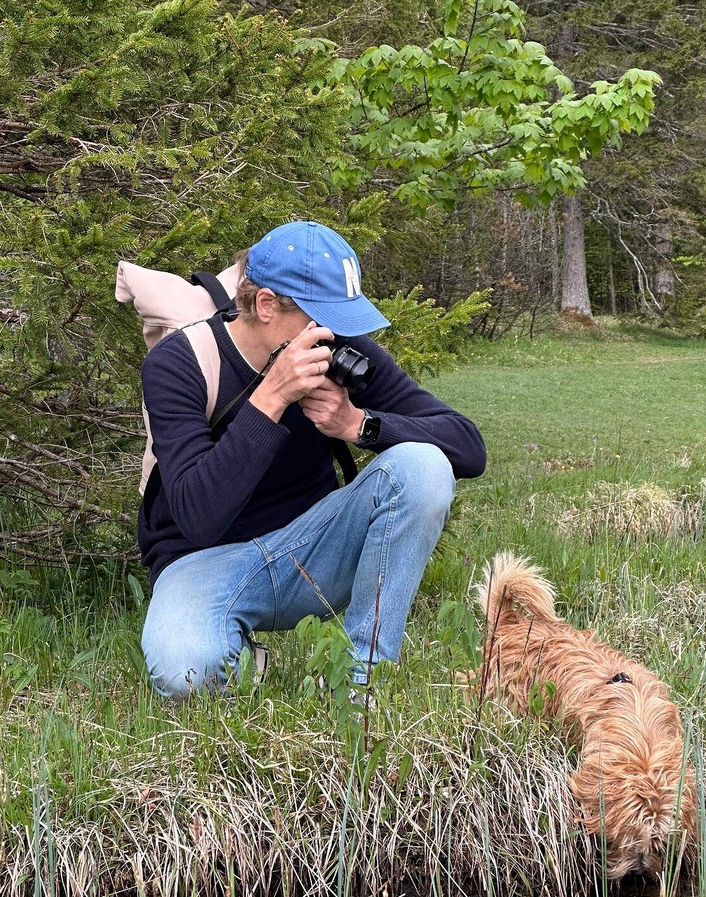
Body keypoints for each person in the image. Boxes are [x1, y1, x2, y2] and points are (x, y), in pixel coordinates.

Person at [138, 220, 486, 699]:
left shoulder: (339, 349)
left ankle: (361, 683)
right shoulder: (180, 364)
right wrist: (272, 397)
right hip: (202, 563)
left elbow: (468, 446)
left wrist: (358, 424)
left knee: (423, 467)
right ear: (265, 305)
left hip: (310, 548)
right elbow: (198, 517)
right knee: (186, 676)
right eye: (320, 317)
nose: (335, 334)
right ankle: (236, 650)